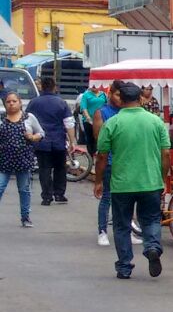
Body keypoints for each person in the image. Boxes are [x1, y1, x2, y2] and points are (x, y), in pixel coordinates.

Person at [93, 83, 170, 280]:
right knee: (151, 219)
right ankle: (152, 247)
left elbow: (102, 156)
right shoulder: (156, 121)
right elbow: (166, 153)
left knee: (121, 225)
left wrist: (99, 181)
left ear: (121, 99)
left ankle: (124, 266)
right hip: (151, 182)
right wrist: (163, 177)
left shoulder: (113, 123)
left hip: (122, 184)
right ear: (140, 98)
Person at [28, 74, 72, 206]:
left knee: (44, 169)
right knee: (60, 168)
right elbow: (69, 123)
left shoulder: (34, 102)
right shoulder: (61, 102)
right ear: (54, 87)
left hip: (41, 141)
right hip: (58, 140)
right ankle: (59, 194)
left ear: (42, 87)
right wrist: (73, 141)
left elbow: (27, 121)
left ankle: (46, 197)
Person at [0, 90, 42, 227]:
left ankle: (25, 217)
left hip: (23, 161)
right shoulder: (2, 119)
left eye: (14, 101)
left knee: (24, 190)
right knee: (0, 187)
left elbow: (41, 133)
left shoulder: (29, 118)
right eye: (8, 102)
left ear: (20, 103)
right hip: (4, 161)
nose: (11, 104)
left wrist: (33, 137)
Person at [92, 81, 125, 247]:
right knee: (107, 197)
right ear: (110, 94)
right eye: (118, 95)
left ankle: (127, 229)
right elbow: (99, 139)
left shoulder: (127, 112)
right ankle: (102, 231)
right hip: (110, 161)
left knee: (126, 198)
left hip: (126, 162)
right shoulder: (102, 112)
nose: (120, 99)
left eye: (122, 95)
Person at [78, 85, 107, 159]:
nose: (94, 86)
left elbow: (107, 105)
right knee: (90, 139)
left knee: (100, 138)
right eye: (92, 85)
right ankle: (91, 158)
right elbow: (83, 107)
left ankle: (99, 156)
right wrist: (88, 118)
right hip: (89, 121)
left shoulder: (103, 94)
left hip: (101, 120)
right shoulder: (86, 95)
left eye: (96, 84)